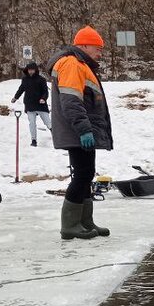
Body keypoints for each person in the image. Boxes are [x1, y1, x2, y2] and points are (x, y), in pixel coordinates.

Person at [50, 26, 113, 240]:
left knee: (86, 174)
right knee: (83, 175)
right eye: (98, 48)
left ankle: (85, 222)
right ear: (84, 46)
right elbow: (71, 101)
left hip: (81, 131)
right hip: (77, 131)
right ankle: (70, 225)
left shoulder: (81, 64)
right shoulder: (71, 64)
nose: (100, 52)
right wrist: (84, 129)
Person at [12, 61, 51, 146]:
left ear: (36, 70)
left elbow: (45, 92)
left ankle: (56, 136)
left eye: (32, 70)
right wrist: (15, 97)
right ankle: (34, 140)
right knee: (32, 123)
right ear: (27, 70)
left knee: (48, 123)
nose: (31, 71)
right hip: (29, 104)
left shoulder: (41, 79)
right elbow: (21, 89)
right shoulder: (25, 79)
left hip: (41, 104)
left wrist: (43, 99)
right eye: (29, 70)